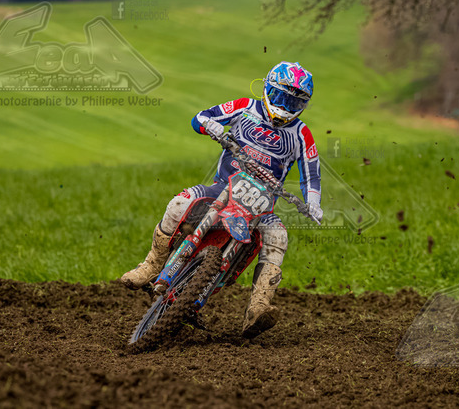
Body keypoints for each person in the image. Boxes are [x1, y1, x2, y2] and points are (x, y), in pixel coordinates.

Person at [120, 61, 323, 338]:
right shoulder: (245, 107)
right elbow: (201, 117)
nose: (285, 106)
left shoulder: (301, 133)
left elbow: (311, 172)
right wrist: (211, 126)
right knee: (179, 203)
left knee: (278, 237)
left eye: (293, 102)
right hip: (223, 188)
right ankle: (151, 265)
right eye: (280, 97)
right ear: (267, 88)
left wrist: (313, 202)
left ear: (303, 105)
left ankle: (258, 306)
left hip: (262, 205)